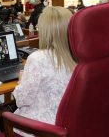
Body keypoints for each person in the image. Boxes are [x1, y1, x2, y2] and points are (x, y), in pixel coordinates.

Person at [12, 7, 77, 137]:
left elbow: (22, 100)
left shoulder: (38, 59)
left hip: (39, 130)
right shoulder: (79, 56)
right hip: (71, 126)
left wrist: (20, 82)